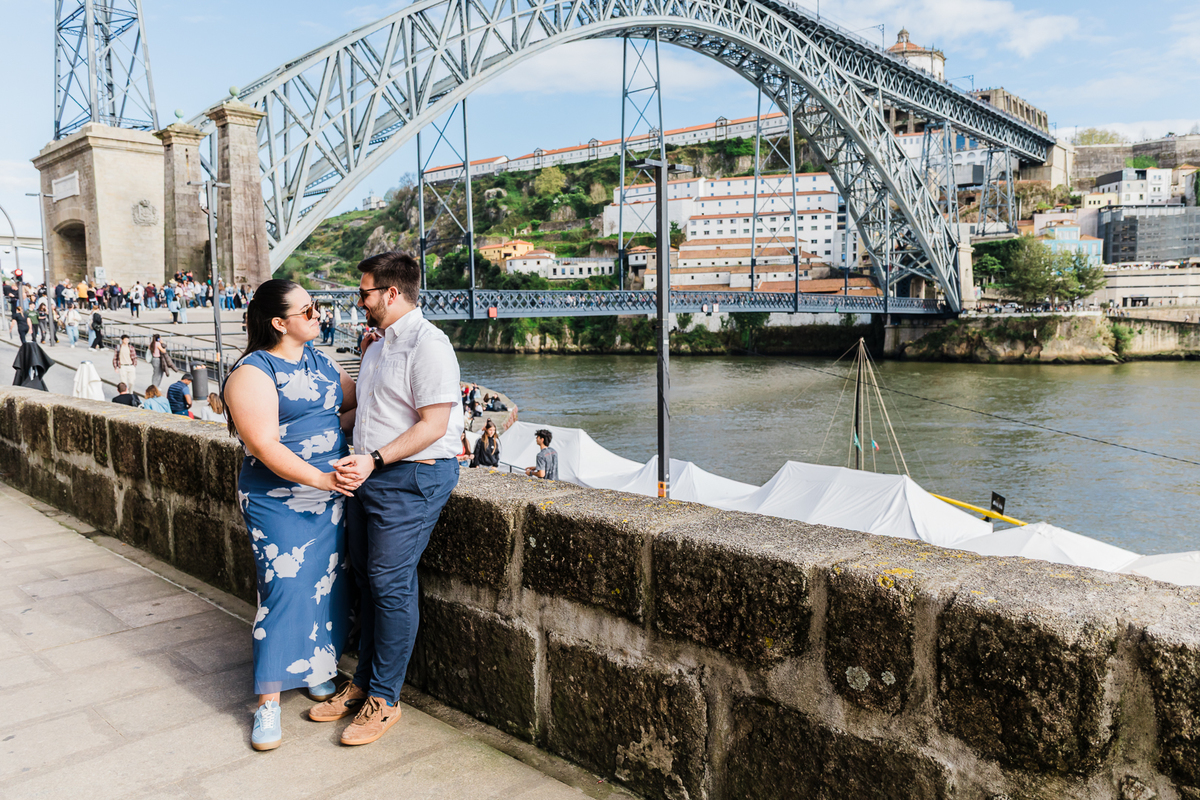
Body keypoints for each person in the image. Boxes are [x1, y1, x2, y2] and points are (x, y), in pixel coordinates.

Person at [308, 251, 461, 747]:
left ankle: (387, 699)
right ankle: (365, 683)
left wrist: (374, 458)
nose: (359, 301)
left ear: (391, 294)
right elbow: (369, 416)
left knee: (391, 583)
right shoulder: (375, 346)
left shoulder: (429, 345)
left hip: (412, 476)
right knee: (368, 581)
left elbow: (434, 426)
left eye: (365, 292)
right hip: (371, 473)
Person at [222, 278, 358, 752]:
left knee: (327, 584)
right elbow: (262, 443)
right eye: (307, 311)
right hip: (279, 497)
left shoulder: (321, 361)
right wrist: (321, 477)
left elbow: (351, 405)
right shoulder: (252, 372)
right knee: (284, 589)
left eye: (315, 307)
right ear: (279, 322)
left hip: (329, 495)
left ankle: (318, 669)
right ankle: (268, 703)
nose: (318, 315)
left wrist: (328, 442)